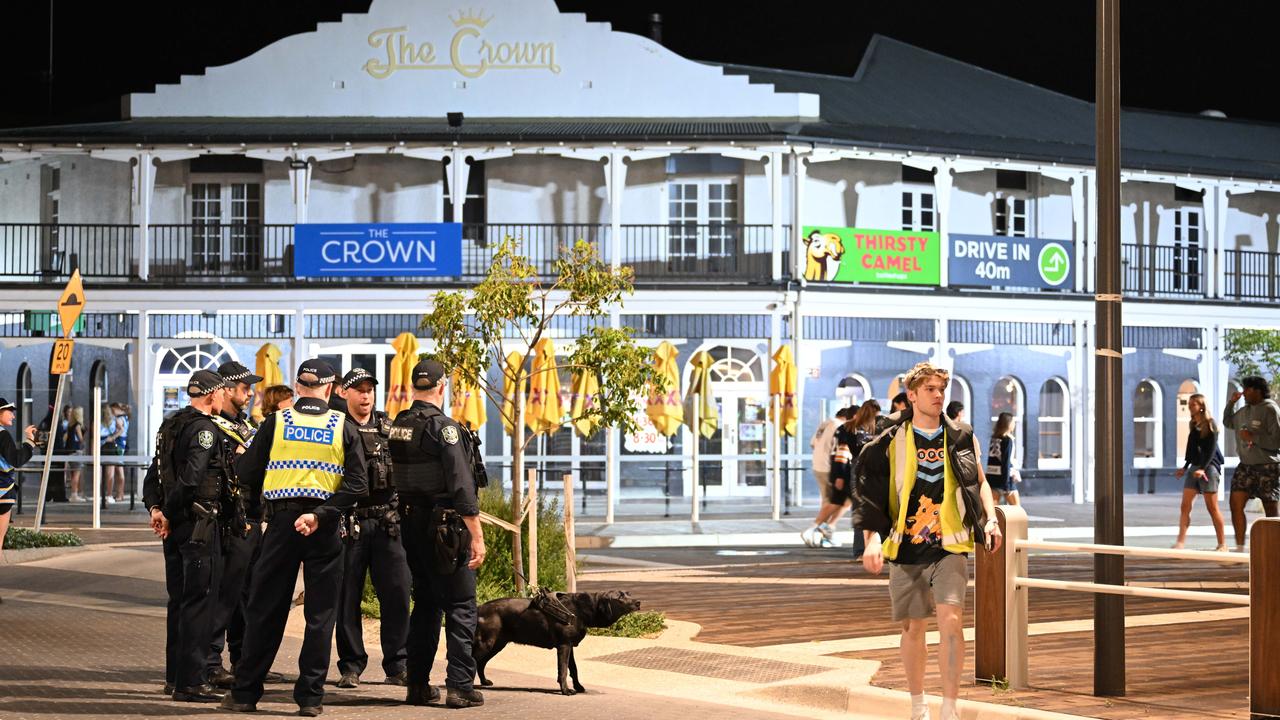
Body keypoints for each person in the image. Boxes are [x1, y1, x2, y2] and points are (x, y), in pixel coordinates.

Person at [852, 362, 1001, 720]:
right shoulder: (889, 440)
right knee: (913, 626)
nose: (938, 395)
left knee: (951, 620)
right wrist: (871, 540)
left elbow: (978, 481)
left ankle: (950, 705)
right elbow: (869, 493)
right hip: (905, 547)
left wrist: (991, 518)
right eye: (930, 389)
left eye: (941, 389)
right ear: (912, 396)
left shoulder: (961, 436)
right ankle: (918, 703)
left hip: (949, 545)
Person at [222, 359, 367, 717]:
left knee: (265, 610)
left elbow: (245, 472)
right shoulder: (343, 426)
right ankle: (310, 698)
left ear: (299, 387)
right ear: (331, 389)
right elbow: (358, 484)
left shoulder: (276, 423)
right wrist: (320, 514)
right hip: (325, 526)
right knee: (321, 615)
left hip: (283, 524)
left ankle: (245, 694)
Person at [389, 359, 486, 708]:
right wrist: (476, 535)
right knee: (461, 605)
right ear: (443, 386)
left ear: (414, 385)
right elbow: (461, 487)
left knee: (427, 604)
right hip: (445, 529)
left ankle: (417, 684)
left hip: (410, 525)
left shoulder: (398, 425)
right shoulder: (444, 429)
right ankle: (460, 685)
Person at [142, 370, 238, 702]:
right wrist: (167, 512)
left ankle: (175, 677)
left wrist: (155, 508)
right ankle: (192, 682)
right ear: (212, 396)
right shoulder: (205, 430)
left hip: (175, 526)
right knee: (199, 603)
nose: (226, 396)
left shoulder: (171, 425)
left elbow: (153, 472)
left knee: (179, 603)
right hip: (198, 527)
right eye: (223, 392)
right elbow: (191, 478)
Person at [335, 368, 411, 689]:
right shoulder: (335, 428)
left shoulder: (391, 428)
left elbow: (411, 465)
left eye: (369, 389)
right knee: (347, 596)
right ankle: (351, 666)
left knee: (396, 593)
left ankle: (398, 664)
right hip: (350, 521)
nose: (365, 395)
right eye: (359, 390)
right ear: (345, 393)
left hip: (387, 522)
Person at [204, 360, 265, 689]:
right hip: (230, 522)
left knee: (247, 597)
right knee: (224, 595)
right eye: (244, 388)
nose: (251, 393)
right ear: (226, 390)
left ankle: (243, 661)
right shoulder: (212, 428)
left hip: (253, 518)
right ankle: (211, 663)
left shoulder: (246, 427)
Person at [1224, 376, 1280, 551]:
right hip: (1245, 466)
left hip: (1267, 466)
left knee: (1270, 510)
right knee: (1235, 504)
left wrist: (1253, 438)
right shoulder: (1243, 410)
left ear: (1257, 390)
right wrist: (1231, 403)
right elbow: (1228, 422)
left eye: (1247, 389)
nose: (1244, 393)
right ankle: (1240, 547)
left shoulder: (1270, 410)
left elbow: (1277, 441)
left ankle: (1274, 549)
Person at [1173, 393, 1227, 551]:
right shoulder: (1193, 425)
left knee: (1212, 507)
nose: (1190, 407)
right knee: (1185, 506)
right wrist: (1185, 467)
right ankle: (1180, 542)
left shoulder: (1210, 424)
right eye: (1189, 404)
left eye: (1193, 404)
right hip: (1194, 467)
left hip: (1209, 467)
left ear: (1201, 406)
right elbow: (1192, 450)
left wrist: (1203, 468)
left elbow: (1210, 450)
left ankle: (1222, 544)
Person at [802, 405, 854, 548]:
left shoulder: (825, 423)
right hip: (830, 467)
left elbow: (813, 443)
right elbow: (839, 449)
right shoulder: (840, 426)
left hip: (818, 465)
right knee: (834, 501)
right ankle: (819, 531)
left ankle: (825, 530)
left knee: (835, 500)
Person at [840, 400, 881, 560]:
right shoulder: (879, 427)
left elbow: (852, 450)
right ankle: (877, 550)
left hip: (858, 469)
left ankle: (860, 550)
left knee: (860, 510)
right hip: (874, 470)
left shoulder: (849, 427)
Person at [0, 398, 38, 566]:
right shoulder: (2, 435)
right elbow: (16, 459)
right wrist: (29, 441)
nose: (13, 416)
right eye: (10, 411)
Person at [985, 413, 1020, 506]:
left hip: (992, 477)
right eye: (1013, 422)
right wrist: (1006, 485)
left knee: (993, 511)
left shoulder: (993, 438)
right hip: (1004, 478)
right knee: (1017, 510)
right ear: (1008, 424)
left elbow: (990, 459)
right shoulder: (1007, 440)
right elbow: (1006, 462)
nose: (1014, 424)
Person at [65, 407, 86, 501]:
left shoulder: (70, 425)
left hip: (70, 452)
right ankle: (74, 494)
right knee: (76, 474)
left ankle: (74, 494)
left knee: (73, 473)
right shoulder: (77, 426)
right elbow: (81, 439)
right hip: (76, 451)